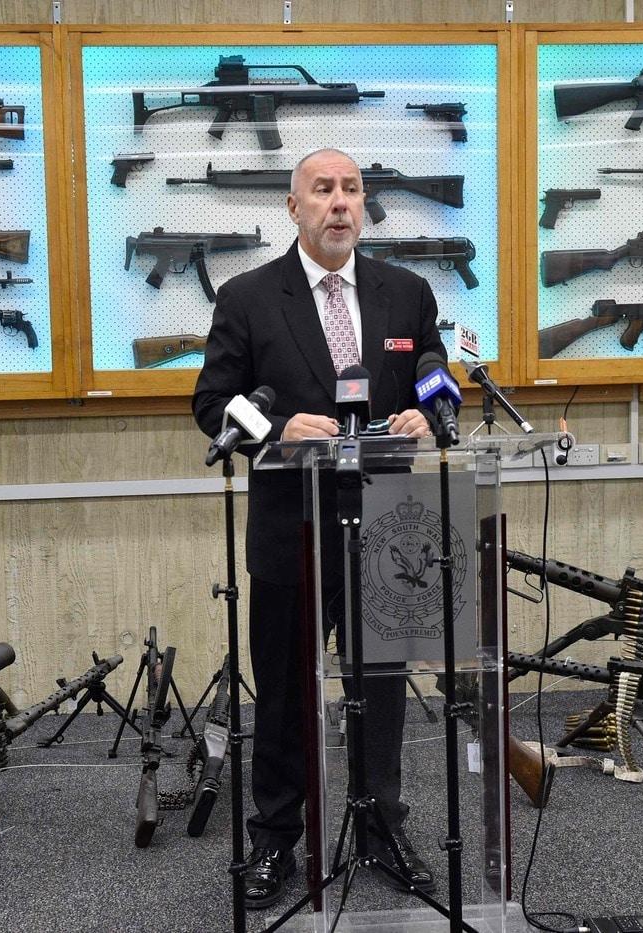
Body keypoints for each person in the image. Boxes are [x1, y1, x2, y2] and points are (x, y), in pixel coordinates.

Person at [192, 148, 448, 909]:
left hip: (389, 530)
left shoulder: (407, 293)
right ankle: (275, 838)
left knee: (383, 688)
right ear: (294, 207)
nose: (340, 203)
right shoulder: (246, 297)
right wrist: (274, 424)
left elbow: (434, 369)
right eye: (323, 190)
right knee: (283, 694)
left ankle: (380, 826)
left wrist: (431, 411)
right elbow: (213, 405)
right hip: (290, 530)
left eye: (352, 190)